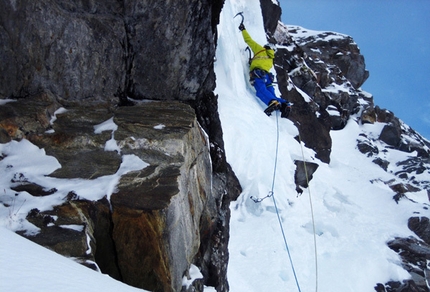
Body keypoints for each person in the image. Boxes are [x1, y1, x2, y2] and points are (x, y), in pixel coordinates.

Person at [239, 23, 291, 118]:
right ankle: (284, 103)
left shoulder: (260, 50)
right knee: (271, 92)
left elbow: (248, 40)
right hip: (267, 77)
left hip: (259, 74)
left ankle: (272, 103)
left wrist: (243, 30)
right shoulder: (271, 58)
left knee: (261, 91)